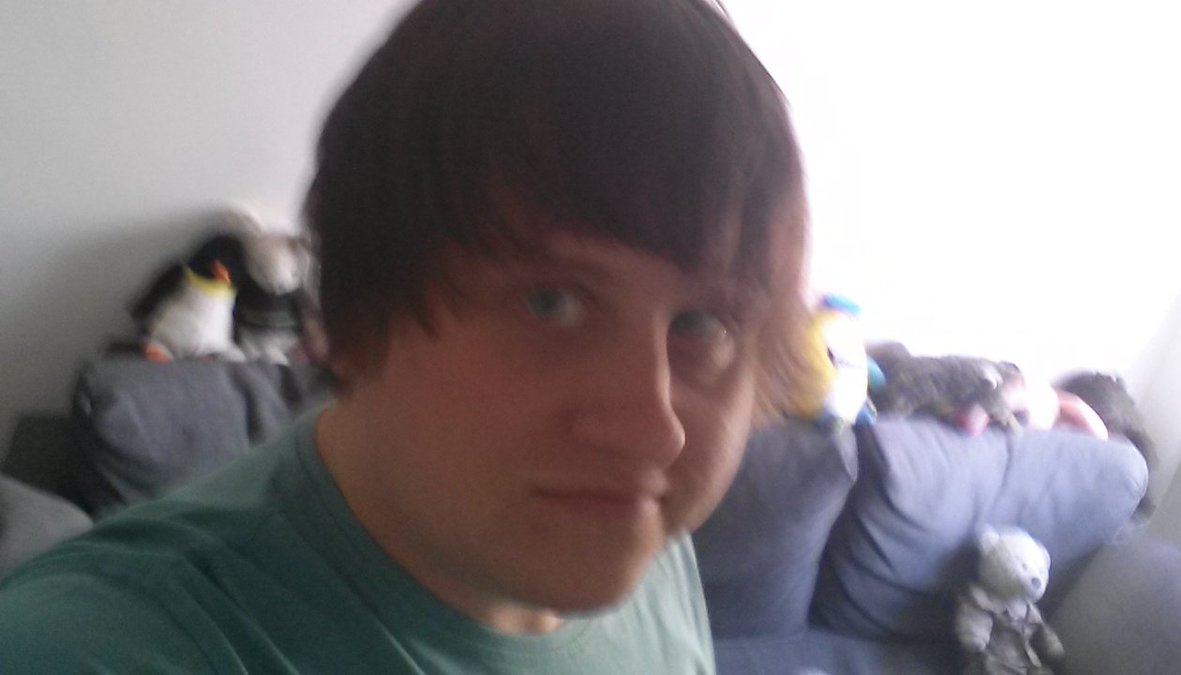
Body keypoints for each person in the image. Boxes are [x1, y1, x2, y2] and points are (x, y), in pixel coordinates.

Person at [0, 0, 806, 671]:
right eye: (551, 303)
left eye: (701, 323)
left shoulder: (631, 530)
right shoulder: (98, 648)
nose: (651, 430)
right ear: (351, 320)